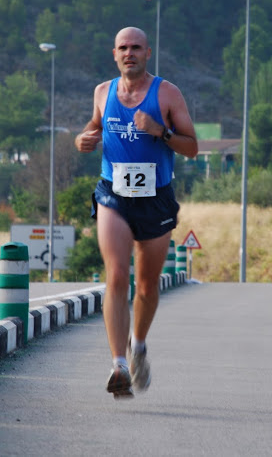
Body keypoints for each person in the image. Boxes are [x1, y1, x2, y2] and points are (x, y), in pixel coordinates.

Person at [75, 26, 198, 398]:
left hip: (155, 198)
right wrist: (84, 139)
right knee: (116, 276)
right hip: (112, 193)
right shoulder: (102, 92)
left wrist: (160, 131)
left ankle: (138, 345)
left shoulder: (167, 93)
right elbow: (93, 128)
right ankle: (119, 365)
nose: (129, 53)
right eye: (123, 48)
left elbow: (192, 147)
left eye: (136, 48)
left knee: (146, 285)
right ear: (115, 54)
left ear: (147, 54)